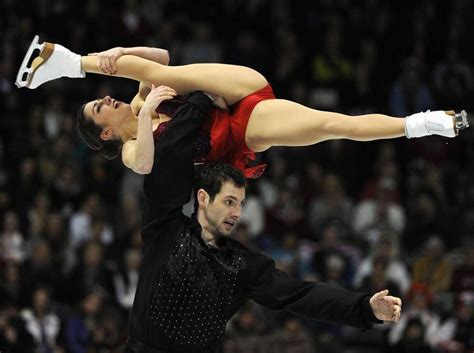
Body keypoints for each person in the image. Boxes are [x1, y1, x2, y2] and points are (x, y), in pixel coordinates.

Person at [75, 82, 398, 352]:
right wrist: (197, 103)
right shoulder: (164, 230)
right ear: (203, 198)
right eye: (229, 201)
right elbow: (168, 165)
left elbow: (299, 295)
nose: (237, 212)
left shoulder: (240, 264)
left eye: (240, 203)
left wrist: (364, 308)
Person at [16, 36, 470, 178]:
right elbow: (146, 166)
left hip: (231, 92)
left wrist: (120, 51)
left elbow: (162, 59)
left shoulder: (139, 95)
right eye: (101, 109)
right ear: (107, 135)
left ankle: (75, 63)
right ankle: (426, 123)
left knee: (165, 75)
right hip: (240, 129)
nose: (109, 99)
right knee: (334, 124)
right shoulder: (134, 148)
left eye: (100, 96)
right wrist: (151, 99)